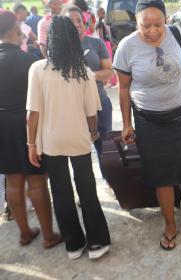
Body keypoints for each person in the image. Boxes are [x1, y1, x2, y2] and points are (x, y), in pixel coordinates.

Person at [113, 0, 181, 251]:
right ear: (136, 23)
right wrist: (127, 124)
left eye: (158, 24)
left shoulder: (178, 33)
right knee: (162, 175)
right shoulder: (126, 47)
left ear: (166, 20)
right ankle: (170, 224)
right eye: (145, 25)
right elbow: (124, 89)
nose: (152, 31)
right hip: (150, 122)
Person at [26, 15, 111, 260]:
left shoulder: (37, 69)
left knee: (61, 192)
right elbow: (91, 113)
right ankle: (97, 242)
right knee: (87, 190)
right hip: (79, 139)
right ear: (74, 40)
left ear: (50, 40)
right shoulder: (84, 71)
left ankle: (74, 244)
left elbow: (33, 113)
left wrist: (31, 143)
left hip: (51, 141)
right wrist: (93, 132)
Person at [0, 9, 62, 248]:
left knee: (13, 182)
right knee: (37, 182)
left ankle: (25, 233)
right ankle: (49, 235)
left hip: (2, 127)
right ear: (17, 31)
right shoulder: (31, 62)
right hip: (27, 125)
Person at [64, 5, 113, 180]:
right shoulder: (59, 48)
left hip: (100, 103)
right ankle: (86, 190)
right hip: (73, 109)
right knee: (79, 155)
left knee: (105, 149)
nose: (77, 24)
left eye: (80, 21)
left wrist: (90, 75)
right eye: (71, 21)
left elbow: (109, 72)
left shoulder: (96, 43)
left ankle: (110, 182)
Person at [95, 7, 116, 87]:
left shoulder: (101, 22)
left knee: (109, 61)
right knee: (108, 62)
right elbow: (101, 36)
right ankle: (111, 81)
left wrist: (111, 43)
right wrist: (104, 44)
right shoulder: (100, 23)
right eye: (102, 13)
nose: (104, 14)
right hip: (104, 43)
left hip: (106, 43)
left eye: (104, 12)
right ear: (99, 14)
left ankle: (112, 81)